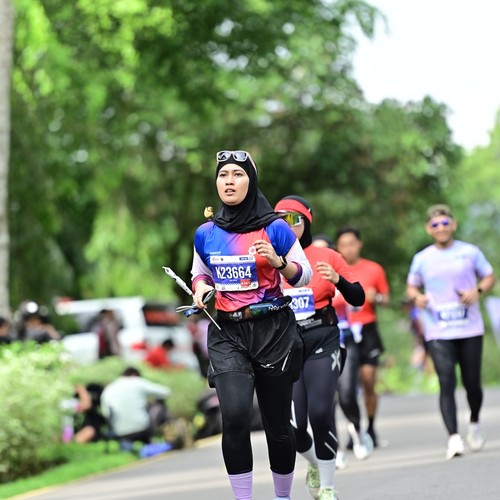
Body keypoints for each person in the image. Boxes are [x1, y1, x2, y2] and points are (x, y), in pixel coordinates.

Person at [190, 150, 312, 500]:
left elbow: (303, 276)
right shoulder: (206, 233)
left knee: (277, 424)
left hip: (273, 332)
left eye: (237, 174)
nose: (229, 181)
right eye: (223, 175)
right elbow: (200, 273)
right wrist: (201, 289)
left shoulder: (275, 228)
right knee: (234, 418)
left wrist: (279, 262)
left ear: (251, 181)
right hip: (227, 333)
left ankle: (282, 496)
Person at [275, 197, 365, 500]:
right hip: (286, 346)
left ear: (307, 222)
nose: (287, 225)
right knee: (293, 426)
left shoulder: (327, 256)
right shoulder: (269, 259)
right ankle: (314, 463)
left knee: (321, 413)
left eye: (294, 219)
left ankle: (328, 487)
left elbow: (358, 297)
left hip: (322, 339)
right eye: (279, 219)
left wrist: (338, 280)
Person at [406, 204, 496, 459]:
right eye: (435, 225)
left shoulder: (469, 252)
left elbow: (489, 276)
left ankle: (474, 422)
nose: (441, 228)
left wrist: (477, 291)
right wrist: (417, 297)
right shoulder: (422, 258)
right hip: (438, 329)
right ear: (428, 229)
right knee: (446, 380)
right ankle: (454, 438)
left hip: (469, 327)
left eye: (445, 223)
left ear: (453, 225)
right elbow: (411, 287)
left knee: (472, 383)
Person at [333, 226, 390, 450]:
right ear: (338, 247)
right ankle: (354, 427)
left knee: (368, 380)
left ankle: (371, 427)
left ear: (359, 244)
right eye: (343, 245)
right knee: (347, 385)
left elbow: (386, 299)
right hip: (342, 330)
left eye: (352, 244)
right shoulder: (332, 269)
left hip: (366, 329)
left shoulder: (374, 269)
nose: (348, 249)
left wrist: (378, 298)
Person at [100, 367, 171, 447]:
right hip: (142, 429)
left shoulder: (109, 388)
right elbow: (166, 392)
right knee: (159, 406)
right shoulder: (137, 382)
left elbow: (106, 414)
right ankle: (170, 436)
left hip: (119, 432)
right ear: (134, 375)